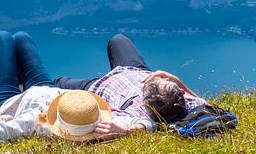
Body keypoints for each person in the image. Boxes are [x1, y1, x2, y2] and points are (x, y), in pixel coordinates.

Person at [0, 31, 152, 145]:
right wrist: (125, 131)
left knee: (2, 38)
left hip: (11, 102)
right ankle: (20, 85)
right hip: (47, 90)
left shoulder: (34, 121)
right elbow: (148, 123)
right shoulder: (102, 124)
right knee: (22, 38)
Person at [52, 33, 206, 131]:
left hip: (103, 85)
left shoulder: (137, 114)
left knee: (59, 82)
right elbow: (204, 102)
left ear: (145, 102)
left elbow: (145, 125)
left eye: (158, 81)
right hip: (136, 70)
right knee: (118, 40)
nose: (163, 77)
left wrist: (123, 131)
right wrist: (175, 80)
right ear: (181, 92)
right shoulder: (188, 103)